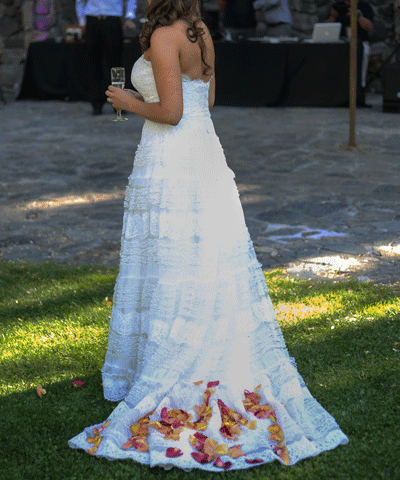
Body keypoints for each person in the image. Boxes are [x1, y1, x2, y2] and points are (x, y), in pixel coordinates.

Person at [68, 0, 348, 471]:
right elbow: (207, 101)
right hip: (206, 153)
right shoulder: (200, 30)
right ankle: (197, 341)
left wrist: (126, 102)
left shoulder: (163, 37)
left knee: (172, 257)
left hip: (172, 157)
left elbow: (171, 112)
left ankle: (178, 355)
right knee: (205, 257)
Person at [76, 0, 138, 115]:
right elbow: (79, 1)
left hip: (112, 19)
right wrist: (82, 21)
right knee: (92, 63)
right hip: (92, 19)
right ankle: (96, 103)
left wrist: (129, 15)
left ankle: (118, 102)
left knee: (116, 64)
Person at [326, 0, 374, 102]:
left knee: (363, 54)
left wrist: (357, 16)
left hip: (360, 42)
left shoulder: (364, 6)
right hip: (340, 43)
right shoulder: (337, 6)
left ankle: (359, 90)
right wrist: (333, 16)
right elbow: (326, 29)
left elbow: (369, 27)